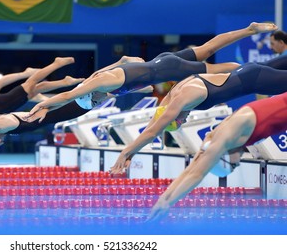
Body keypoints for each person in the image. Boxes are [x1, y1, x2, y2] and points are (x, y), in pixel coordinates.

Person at [26, 22, 277, 123]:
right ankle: (248, 30)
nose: (101, 102)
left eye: (95, 102)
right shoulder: (107, 82)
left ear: (91, 97)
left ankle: (271, 68)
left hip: (169, 68)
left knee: (228, 71)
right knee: (208, 47)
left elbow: (68, 94)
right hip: (161, 63)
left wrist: (44, 105)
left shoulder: (99, 84)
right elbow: (132, 65)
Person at [109, 54, 287, 175]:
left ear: (174, 115)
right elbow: (154, 124)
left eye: (180, 121)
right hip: (248, 73)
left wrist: (125, 152)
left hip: (254, 79)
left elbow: (152, 132)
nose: (184, 119)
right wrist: (132, 153)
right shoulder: (174, 93)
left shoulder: (184, 99)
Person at [148, 92, 287, 221]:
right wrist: (164, 198)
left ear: (223, 157)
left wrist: (168, 203)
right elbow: (192, 167)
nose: (238, 164)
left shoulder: (229, 136)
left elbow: (197, 174)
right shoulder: (214, 137)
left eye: (233, 166)